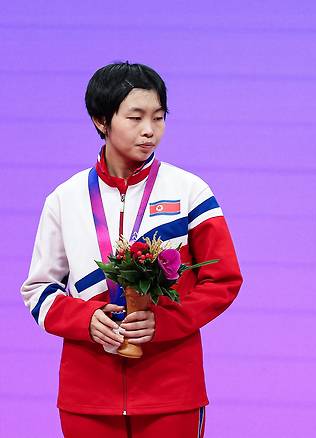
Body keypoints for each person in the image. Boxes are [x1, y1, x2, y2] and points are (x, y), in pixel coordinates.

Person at [21, 62, 243, 437]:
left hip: (171, 392)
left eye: (158, 118)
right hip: (87, 396)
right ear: (101, 121)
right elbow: (39, 289)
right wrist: (84, 320)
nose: (149, 131)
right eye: (135, 117)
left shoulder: (190, 191)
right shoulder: (65, 198)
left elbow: (224, 279)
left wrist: (166, 322)